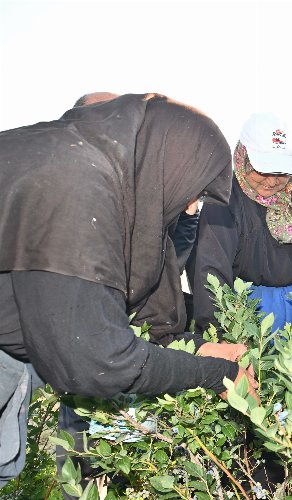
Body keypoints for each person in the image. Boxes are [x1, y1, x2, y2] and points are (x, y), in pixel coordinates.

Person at [0, 94, 256, 486]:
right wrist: (217, 374)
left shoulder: (104, 178)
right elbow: (97, 362)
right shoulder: (75, 180)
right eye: (195, 192)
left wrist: (199, 346)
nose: (191, 210)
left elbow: (132, 314)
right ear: (172, 160)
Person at [191, 112, 292, 334]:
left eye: (280, 172)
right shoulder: (224, 195)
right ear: (244, 157)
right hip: (247, 307)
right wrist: (218, 331)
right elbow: (210, 269)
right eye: (263, 170)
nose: (272, 181)